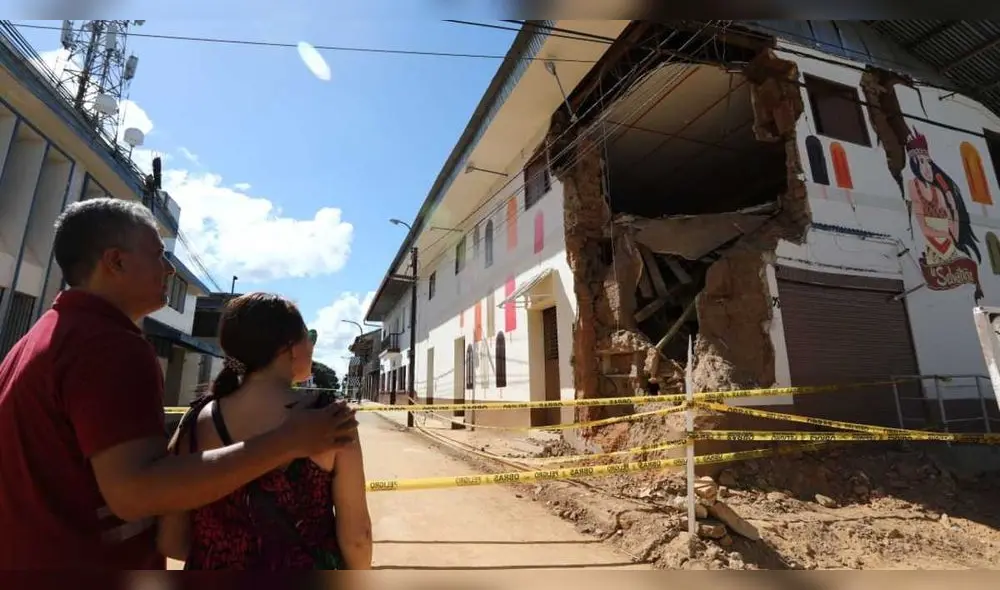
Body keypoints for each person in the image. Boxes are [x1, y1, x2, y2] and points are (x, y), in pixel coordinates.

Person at [0, 198, 358, 569]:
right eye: (158, 255)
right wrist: (287, 441)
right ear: (116, 261)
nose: (169, 270)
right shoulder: (108, 346)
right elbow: (135, 493)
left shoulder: (43, 337)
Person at [157, 293, 372, 569]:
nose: (312, 346)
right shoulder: (328, 418)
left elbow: (171, 541)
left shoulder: (196, 420)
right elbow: (358, 538)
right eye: (310, 336)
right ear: (290, 347)